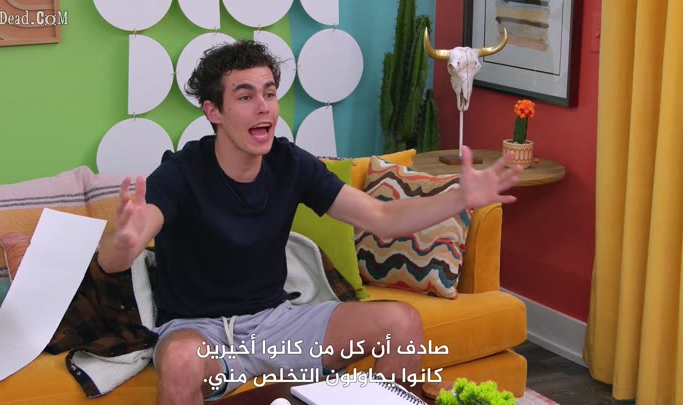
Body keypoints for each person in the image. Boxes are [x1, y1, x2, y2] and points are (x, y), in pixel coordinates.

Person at [97, 40, 522, 404]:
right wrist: (125, 239)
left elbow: (382, 217)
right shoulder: (180, 172)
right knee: (180, 360)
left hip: (277, 322)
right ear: (214, 112)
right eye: (245, 97)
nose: (263, 107)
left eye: (269, 93)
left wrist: (459, 198)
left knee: (401, 323)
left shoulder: (290, 163)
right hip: (200, 331)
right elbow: (115, 258)